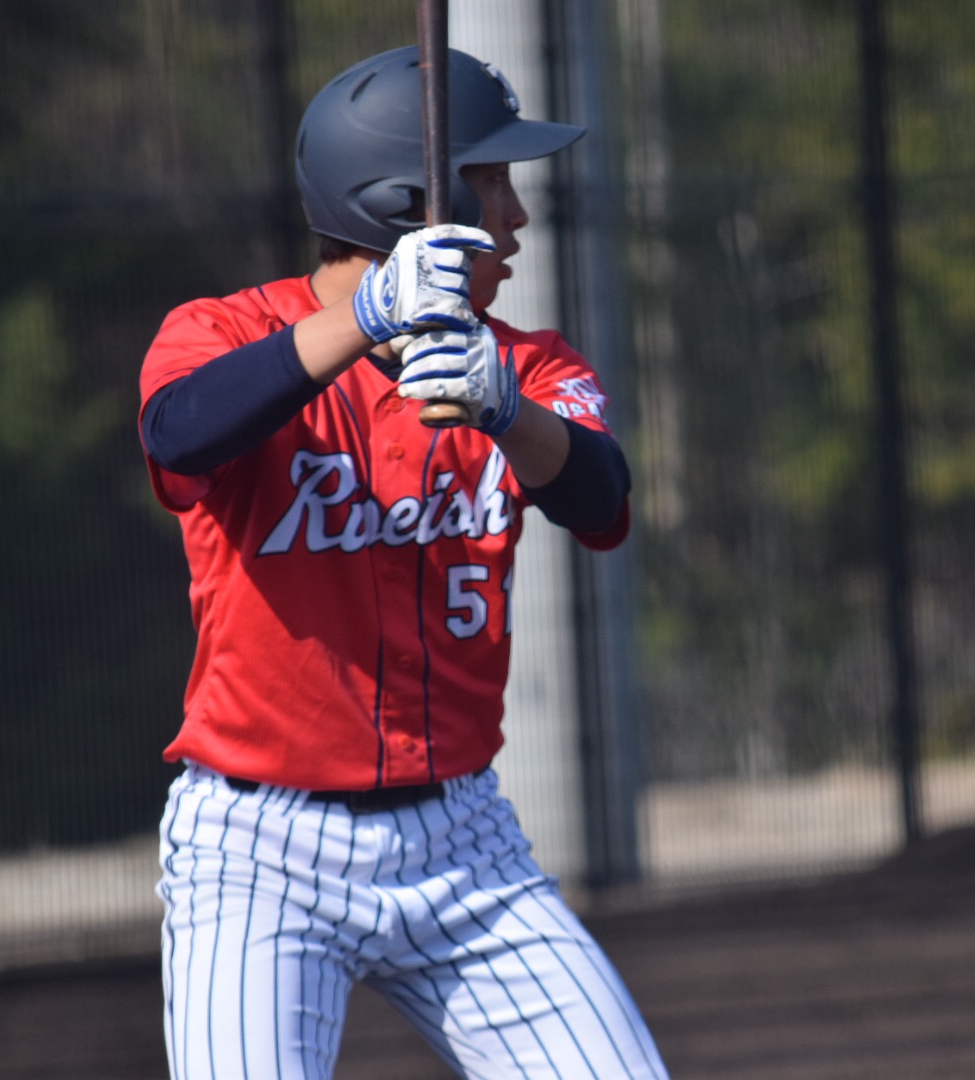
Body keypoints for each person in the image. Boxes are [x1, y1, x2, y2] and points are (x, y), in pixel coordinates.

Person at [137, 46, 668, 1080]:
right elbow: (179, 434)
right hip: (260, 851)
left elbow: (603, 503)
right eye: (492, 182)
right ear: (407, 204)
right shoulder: (223, 333)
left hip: (463, 845)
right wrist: (368, 318)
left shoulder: (518, 364)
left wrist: (507, 412)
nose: (516, 216)